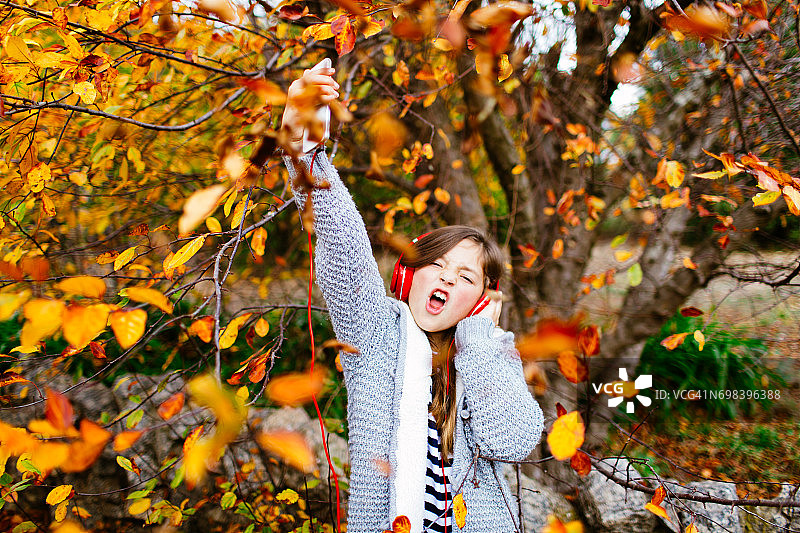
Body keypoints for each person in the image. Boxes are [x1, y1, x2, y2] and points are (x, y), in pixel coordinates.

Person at [280, 66, 543, 533]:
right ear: (410, 272)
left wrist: (480, 341)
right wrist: (306, 153)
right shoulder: (376, 332)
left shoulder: (490, 354)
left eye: (465, 277)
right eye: (437, 265)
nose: (445, 279)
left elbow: (514, 440)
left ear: (482, 301)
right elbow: (346, 249)